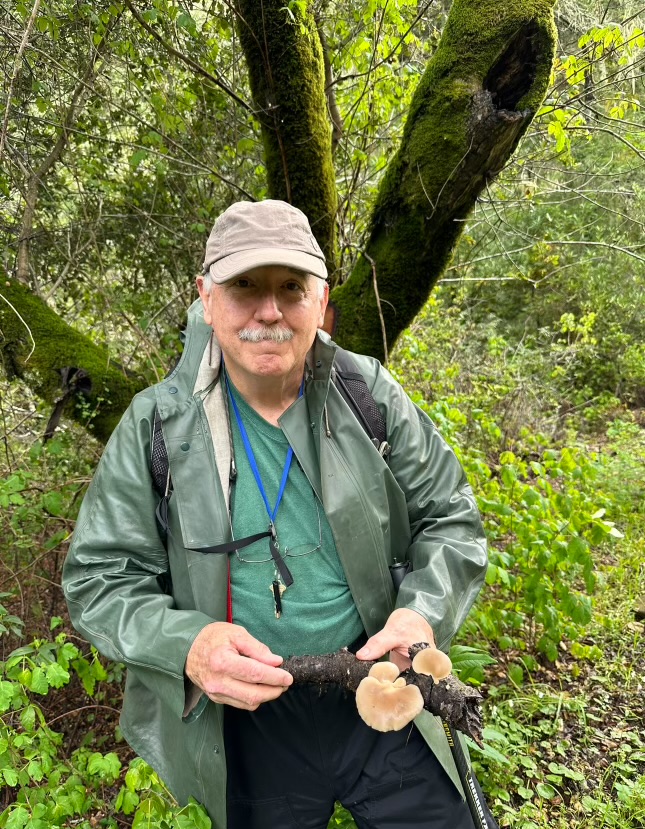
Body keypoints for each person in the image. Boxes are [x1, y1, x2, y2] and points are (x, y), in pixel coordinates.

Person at [63, 199, 489, 829]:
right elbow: (98, 579)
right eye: (244, 286)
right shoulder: (156, 425)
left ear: (321, 303)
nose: (269, 310)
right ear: (206, 298)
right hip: (247, 722)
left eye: (291, 287)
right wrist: (188, 645)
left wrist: (418, 612)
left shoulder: (366, 394)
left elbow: (451, 519)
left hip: (381, 691)